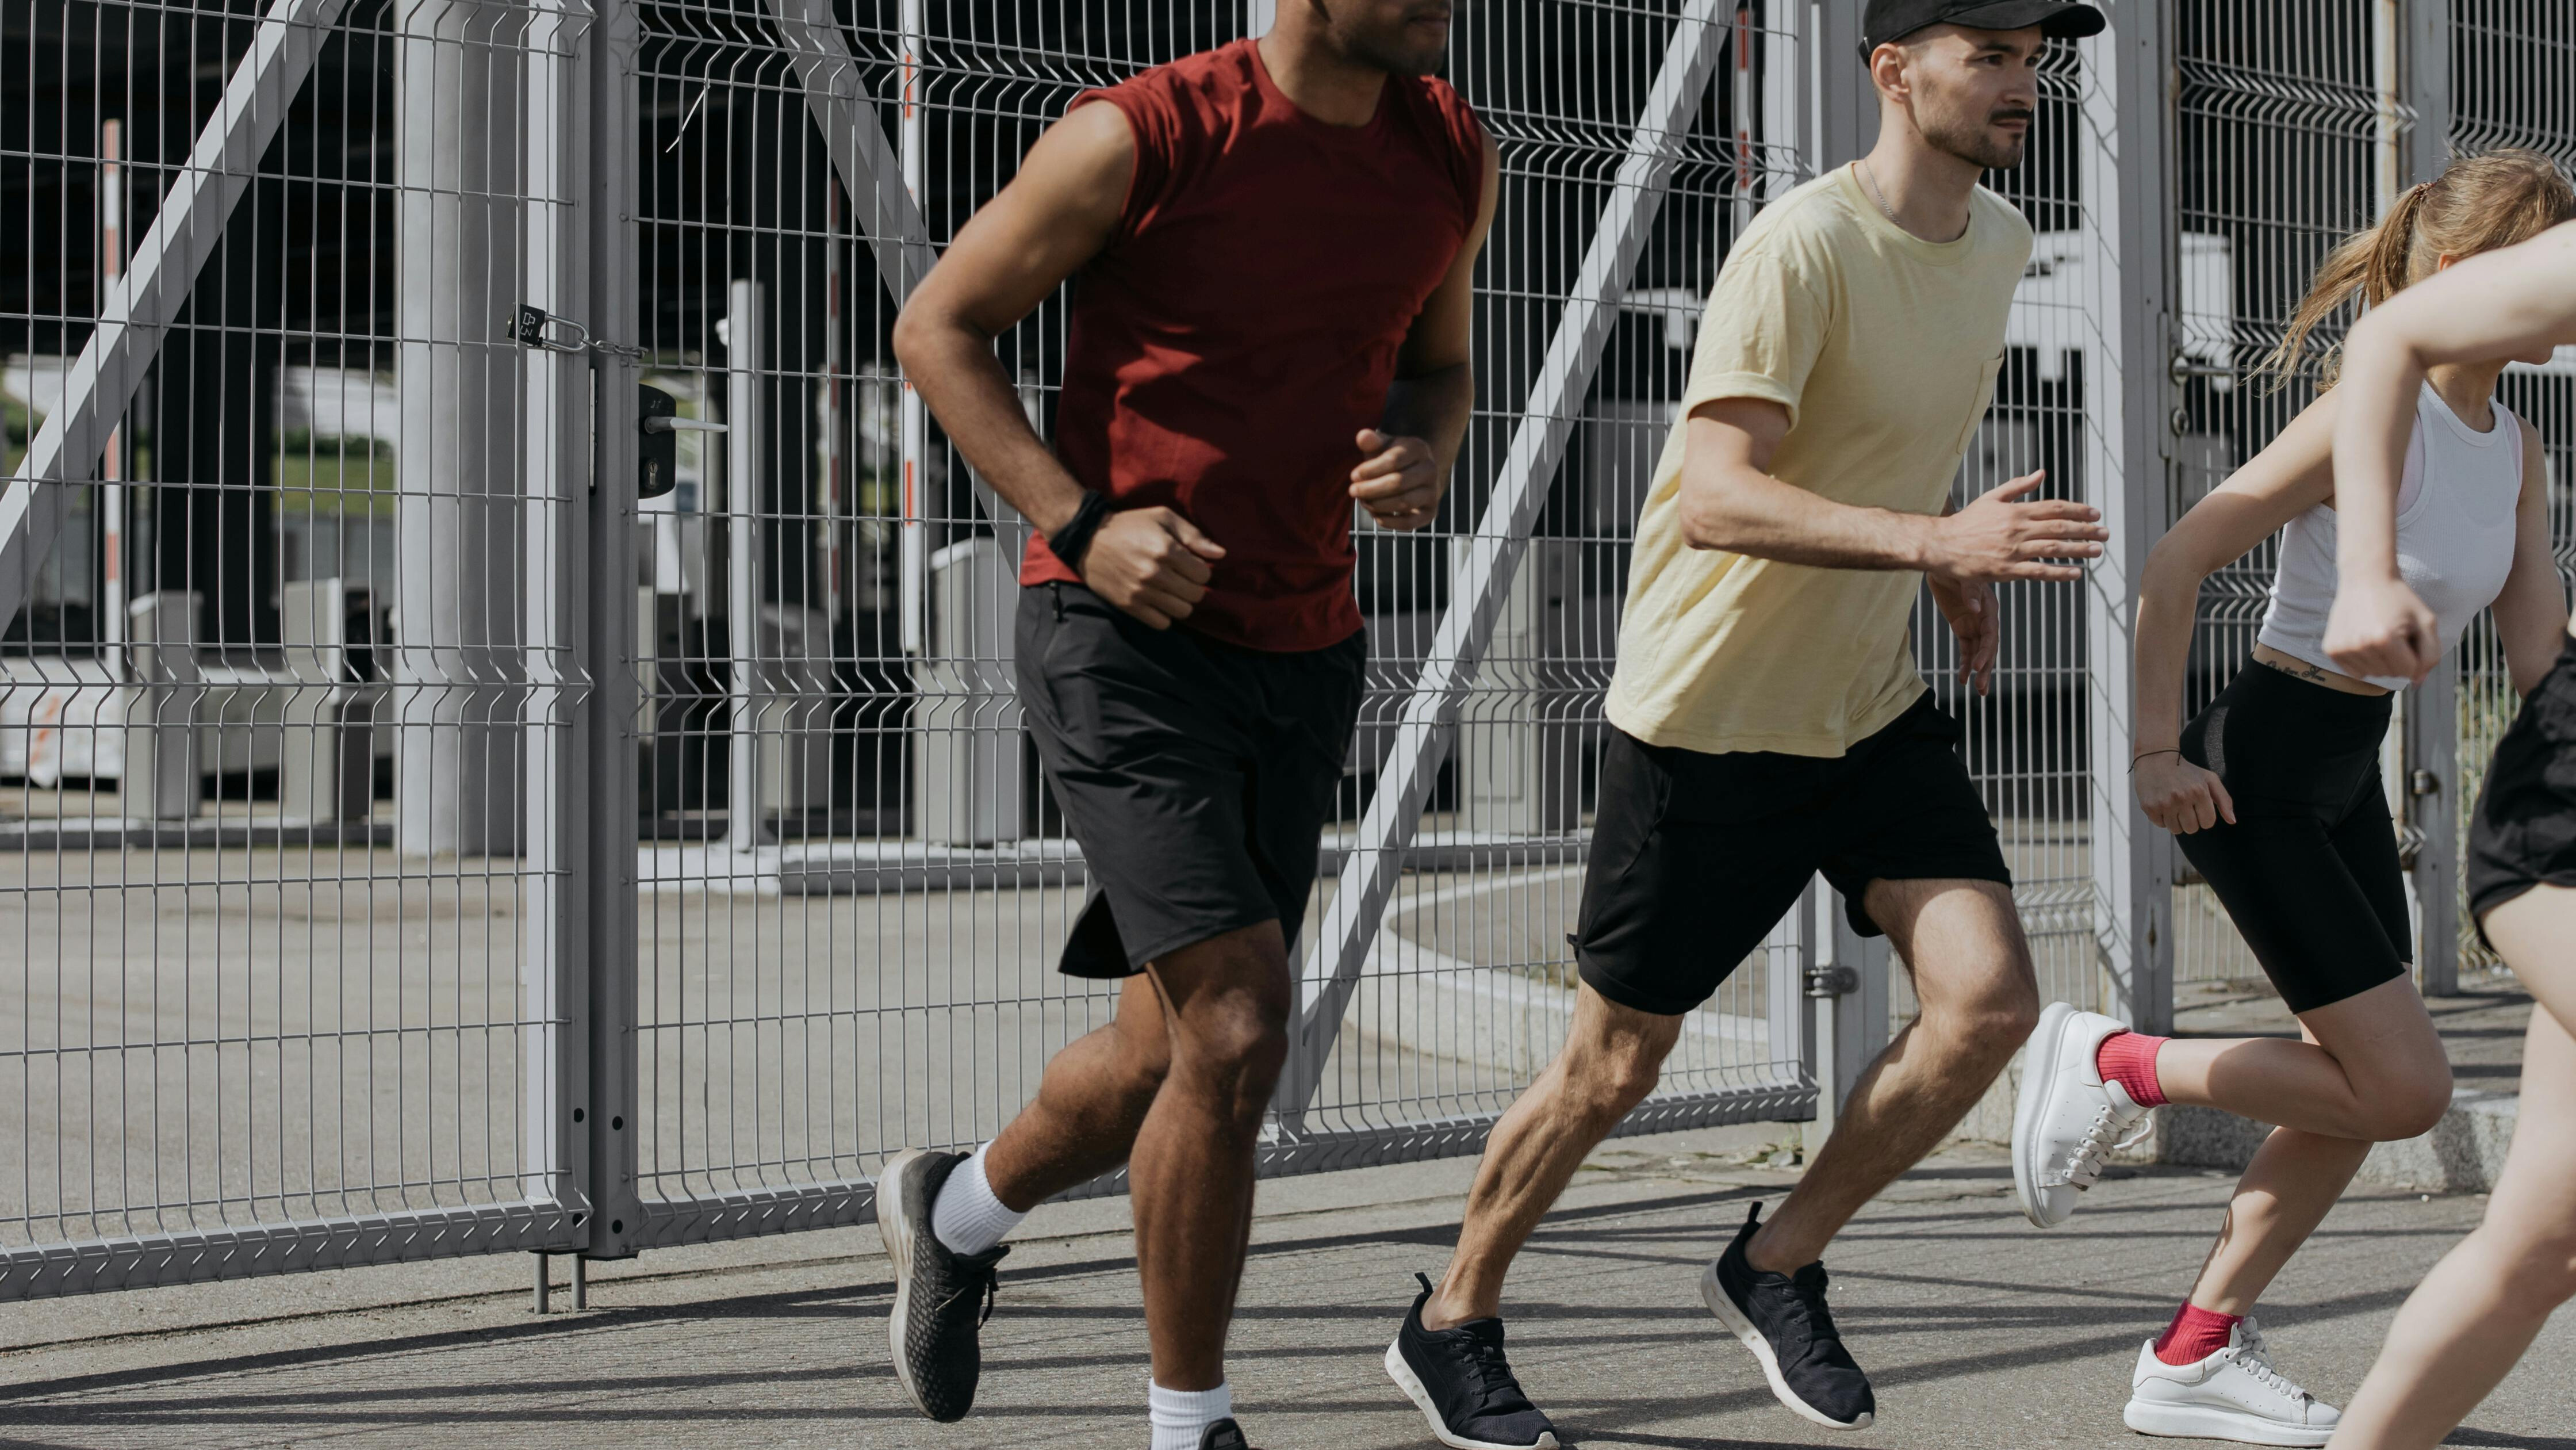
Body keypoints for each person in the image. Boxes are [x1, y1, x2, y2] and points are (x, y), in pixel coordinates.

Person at [1382, 3, 2109, 1445]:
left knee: (1987, 1006)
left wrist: (1942, 568)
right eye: (1990, 54)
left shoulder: (2001, 240)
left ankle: (1773, 1261)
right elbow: (1715, 496)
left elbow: (1893, 440)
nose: (2022, 82)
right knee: (1611, 1066)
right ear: (1892, 71)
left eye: (2034, 58)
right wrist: (1928, 542)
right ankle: (1449, 1316)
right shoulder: (1799, 248)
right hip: (1709, 719)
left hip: (1864, 705)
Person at [876, 2, 1498, 1446]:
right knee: (1236, 1022)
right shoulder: (1135, 136)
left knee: (1165, 1052)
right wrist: (1080, 523)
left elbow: (1440, 365)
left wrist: (1425, 449)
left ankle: (954, 1213)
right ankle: (1188, 1423)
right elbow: (936, 327)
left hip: (1307, 641)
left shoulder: (1451, 148)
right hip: (1121, 639)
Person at [2011, 152, 2574, 1448]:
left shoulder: (2516, 444)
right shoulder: (2366, 414)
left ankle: (2193, 1350)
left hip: (2342, 771)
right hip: (2255, 768)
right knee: (2401, 1090)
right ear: (2461, 277)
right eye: (2544, 256)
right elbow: (2178, 558)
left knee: (2361, 1085)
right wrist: (2154, 754)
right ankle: (2117, 1062)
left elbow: (2539, 653)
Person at [2305, 216, 2576, 1450]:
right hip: (2565, 828)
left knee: (2539, 1246)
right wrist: (2368, 572)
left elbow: (2536, 645)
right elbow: (2392, 335)